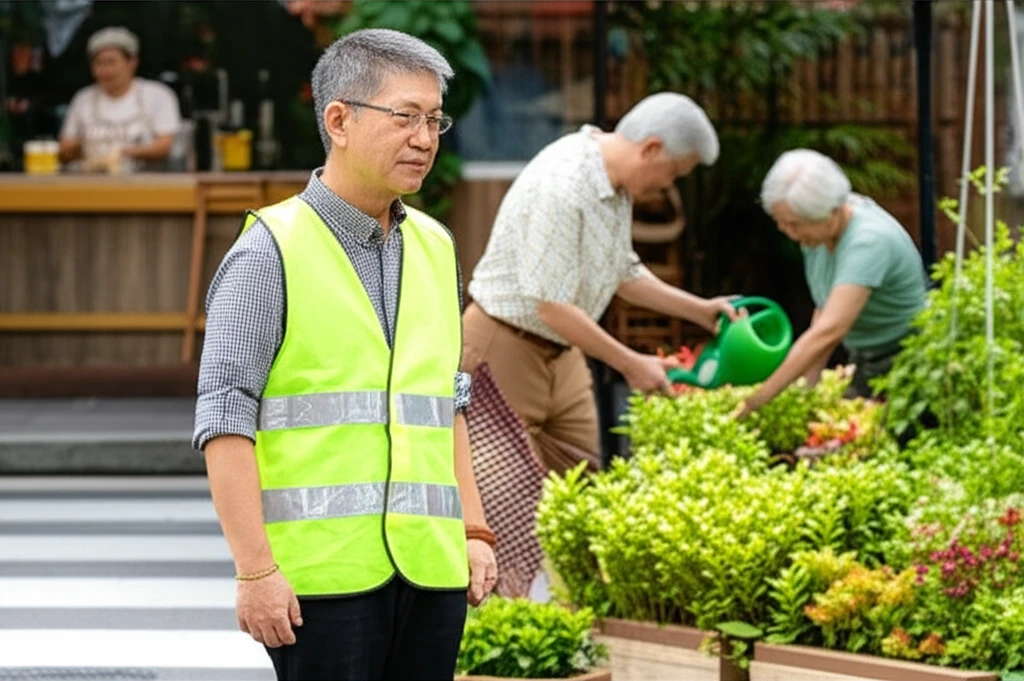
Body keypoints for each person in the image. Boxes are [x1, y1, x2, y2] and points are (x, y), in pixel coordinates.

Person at [193, 29, 497, 681]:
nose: (425, 138)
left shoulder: (437, 247)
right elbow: (224, 420)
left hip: (431, 572)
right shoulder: (267, 251)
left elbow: (449, 401)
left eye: (435, 119)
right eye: (406, 116)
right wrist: (255, 570)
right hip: (320, 583)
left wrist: (474, 531)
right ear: (339, 120)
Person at [463, 92, 738, 471]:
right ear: (652, 149)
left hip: (563, 352)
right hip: (505, 346)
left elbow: (621, 271)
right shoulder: (562, 184)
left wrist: (700, 311)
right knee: (502, 499)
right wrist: (629, 363)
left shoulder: (616, 184)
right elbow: (551, 305)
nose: (667, 184)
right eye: (674, 172)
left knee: (582, 482)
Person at [734, 149, 927, 419]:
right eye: (783, 224)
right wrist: (806, 395)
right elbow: (824, 311)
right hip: (866, 358)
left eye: (794, 225)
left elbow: (830, 330)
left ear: (832, 212)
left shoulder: (868, 242)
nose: (789, 233)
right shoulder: (816, 233)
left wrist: (758, 400)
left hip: (907, 362)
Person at [59, 27, 181, 173]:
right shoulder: (83, 99)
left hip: (145, 183)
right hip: (91, 184)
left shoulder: (158, 95)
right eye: (99, 63)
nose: (105, 70)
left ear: (132, 62)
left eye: (111, 62)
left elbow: (164, 146)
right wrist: (77, 148)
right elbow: (65, 148)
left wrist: (123, 154)